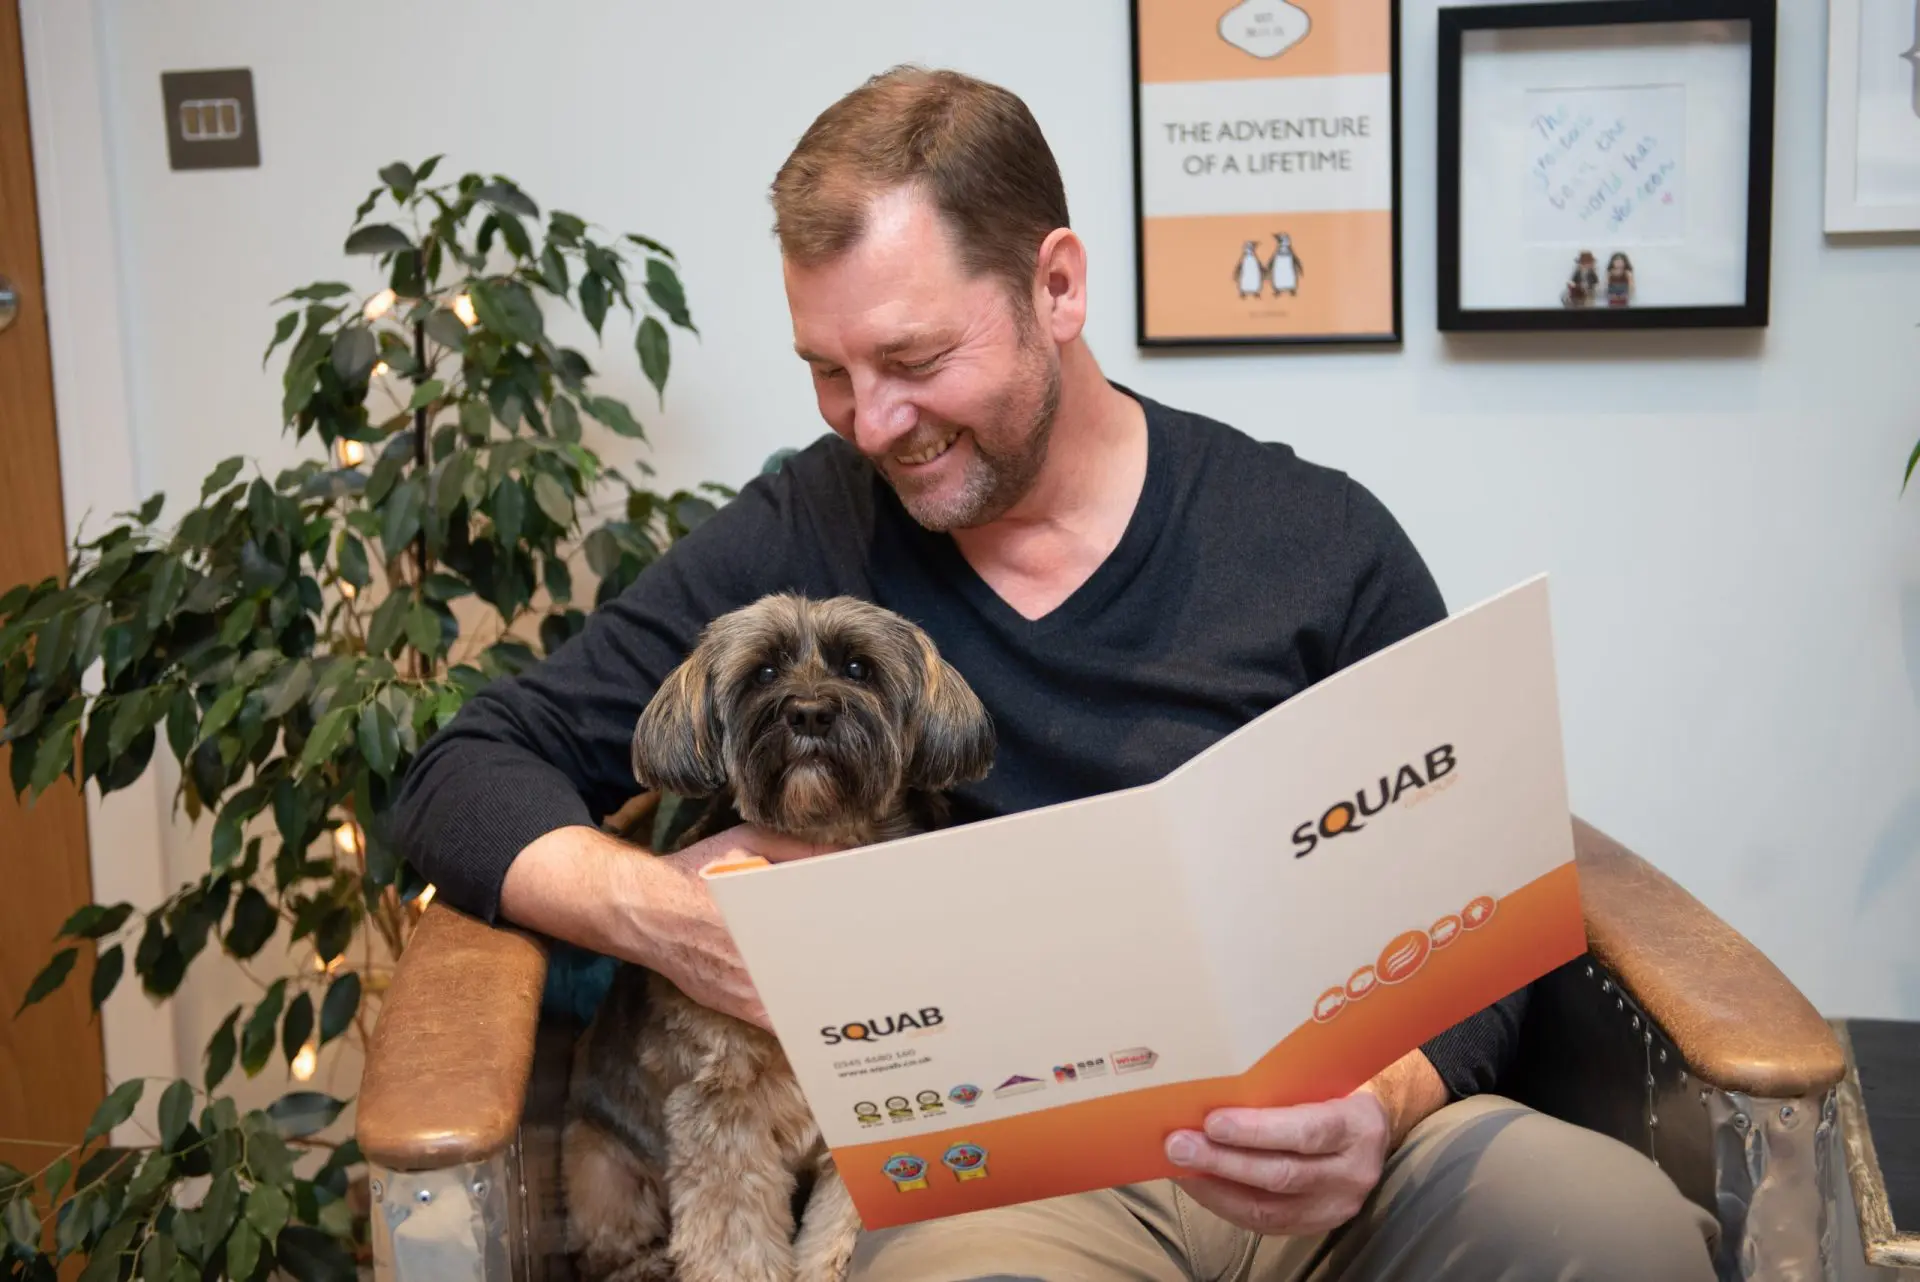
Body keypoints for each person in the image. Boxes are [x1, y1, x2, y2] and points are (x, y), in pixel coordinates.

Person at [393, 66, 1717, 1281]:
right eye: (829, 374)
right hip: (1019, 1175)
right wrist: (667, 912)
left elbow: (1483, 894)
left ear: (1059, 287)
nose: (875, 422)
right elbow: (462, 771)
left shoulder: (1319, 546)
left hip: (1352, 1147)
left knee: (1623, 1232)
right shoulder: (811, 530)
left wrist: (1389, 1101)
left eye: (914, 361)